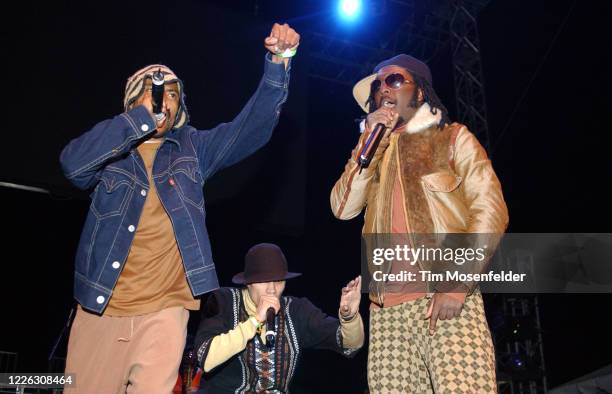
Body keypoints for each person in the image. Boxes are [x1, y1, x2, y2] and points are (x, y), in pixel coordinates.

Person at [59, 23, 300, 393]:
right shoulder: (110, 153)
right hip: (101, 306)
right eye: (152, 93)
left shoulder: (193, 149)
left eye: (171, 95)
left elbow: (251, 129)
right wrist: (138, 122)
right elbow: (72, 166)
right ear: (131, 103)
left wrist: (278, 62)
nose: (162, 102)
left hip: (166, 307)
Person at [330, 54, 509, 393]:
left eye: (394, 80)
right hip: (386, 314)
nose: (383, 89)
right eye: (377, 85)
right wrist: (366, 142)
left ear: (421, 92)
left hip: (444, 297)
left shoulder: (453, 138)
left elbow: (491, 211)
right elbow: (341, 208)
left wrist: (457, 283)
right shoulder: (373, 155)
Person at [194, 243, 364, 393]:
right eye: (263, 281)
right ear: (248, 283)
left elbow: (349, 343)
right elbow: (206, 358)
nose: (272, 289)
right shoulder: (223, 300)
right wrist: (255, 321)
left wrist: (349, 316)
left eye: (278, 281)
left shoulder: (296, 310)